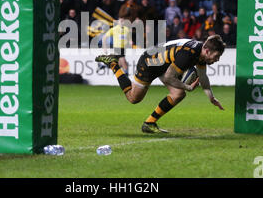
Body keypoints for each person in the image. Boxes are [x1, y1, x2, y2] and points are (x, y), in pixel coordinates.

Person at [95, 35, 225, 133]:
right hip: (149, 63)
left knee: (178, 94)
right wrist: (188, 87)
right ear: (207, 51)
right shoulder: (188, 54)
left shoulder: (200, 53)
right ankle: (113, 65)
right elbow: (169, 78)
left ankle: (149, 123)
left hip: (163, 64)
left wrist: (211, 98)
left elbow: (203, 77)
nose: (217, 59)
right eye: (217, 55)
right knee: (133, 98)